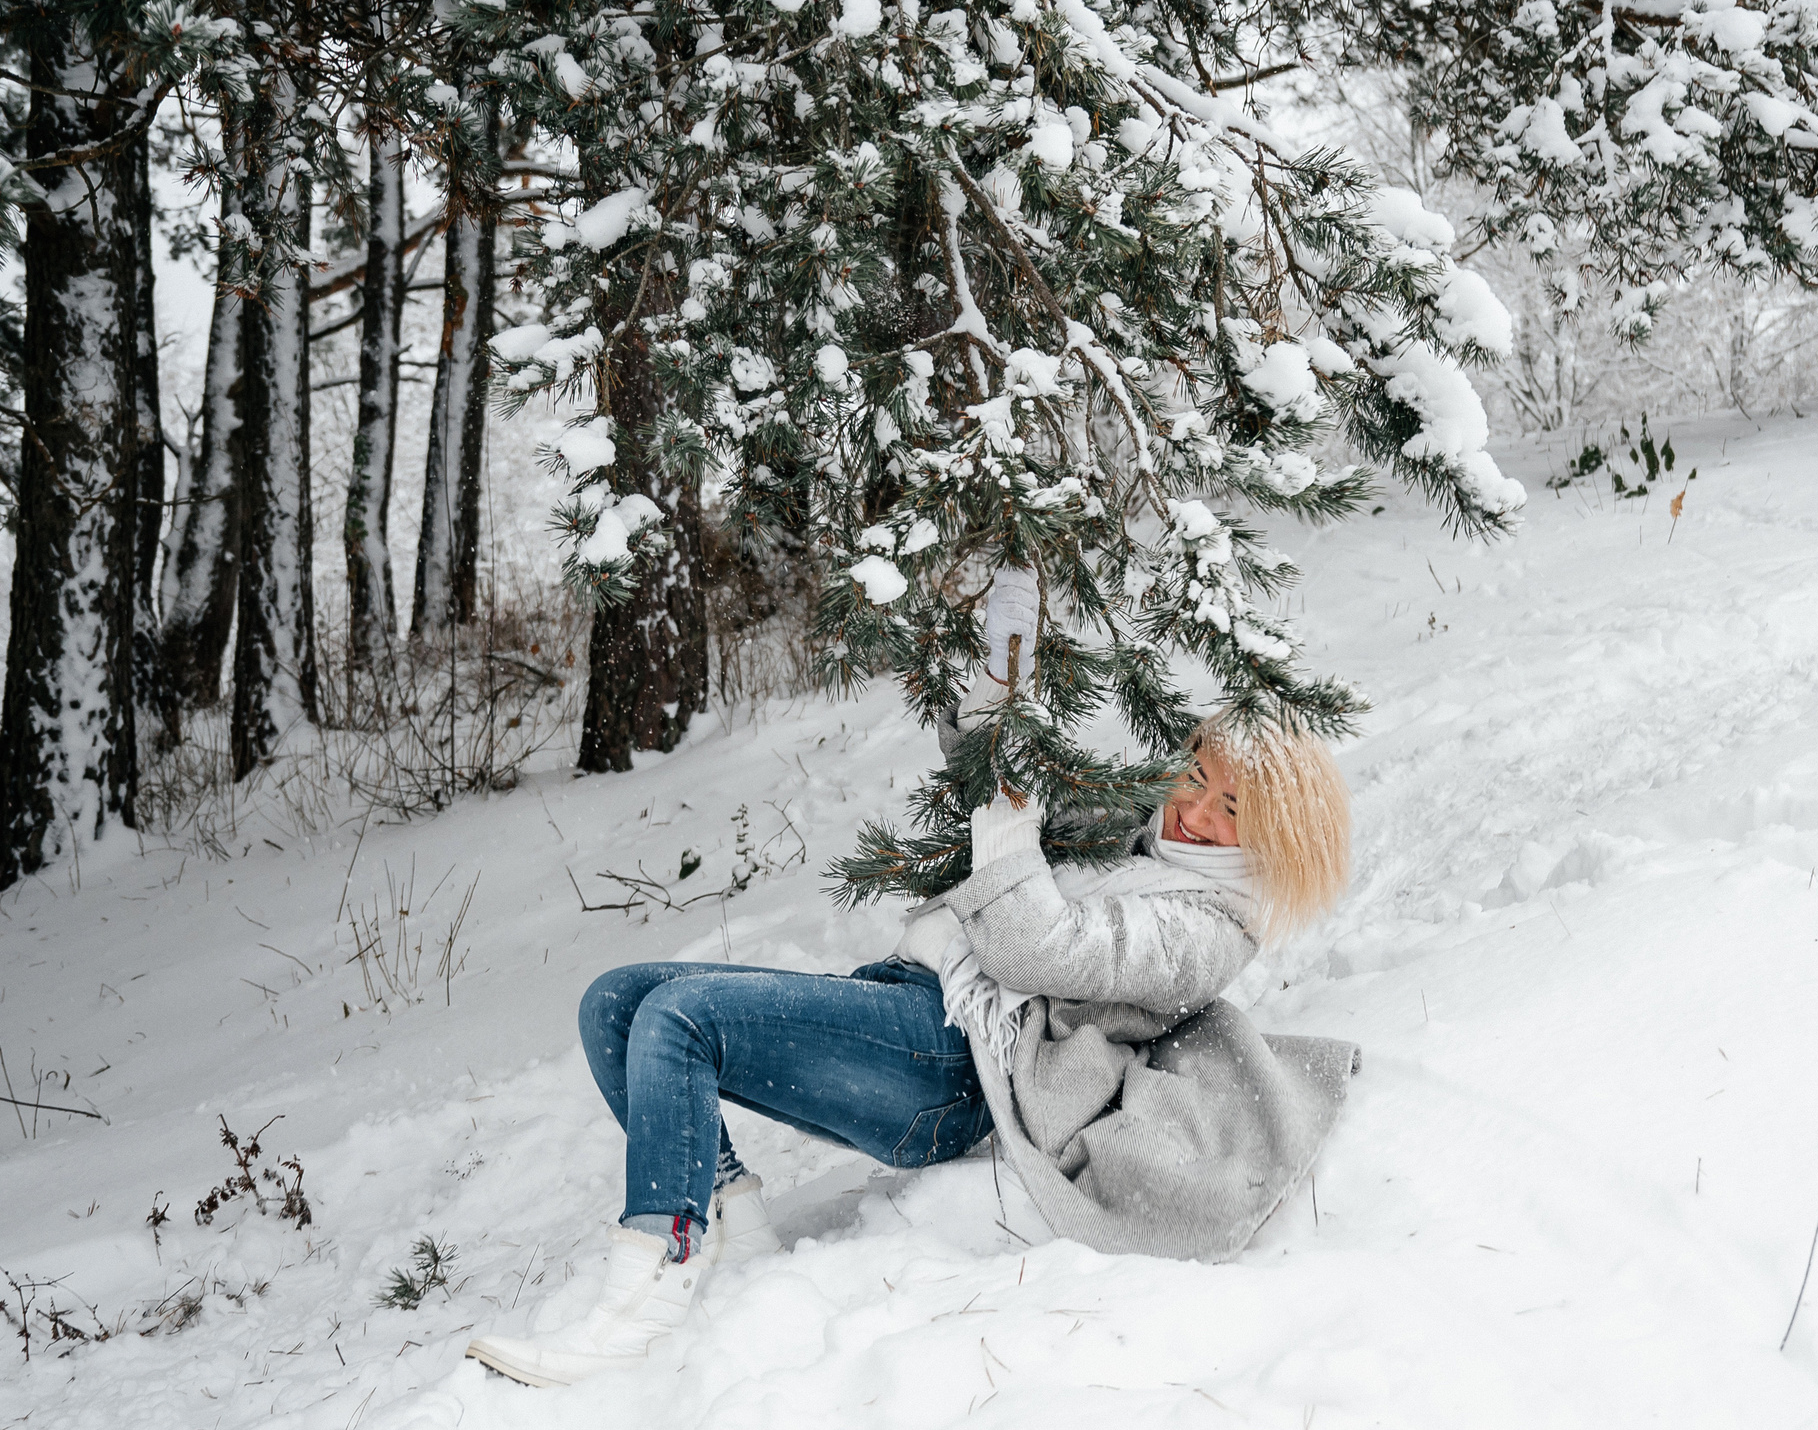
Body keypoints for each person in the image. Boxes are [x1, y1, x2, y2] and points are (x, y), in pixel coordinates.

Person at [465, 573, 1359, 1388]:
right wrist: (992, 689)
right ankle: (734, 1220)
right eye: (1198, 776)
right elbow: (1012, 771)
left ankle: (650, 1288)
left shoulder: (1206, 927)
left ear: (1276, 832)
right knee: (618, 1002)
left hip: (955, 1067)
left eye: (1232, 806)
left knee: (680, 1020)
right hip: (909, 1006)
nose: (1194, 809)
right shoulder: (1144, 836)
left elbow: (1034, 948)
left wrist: (1007, 817)